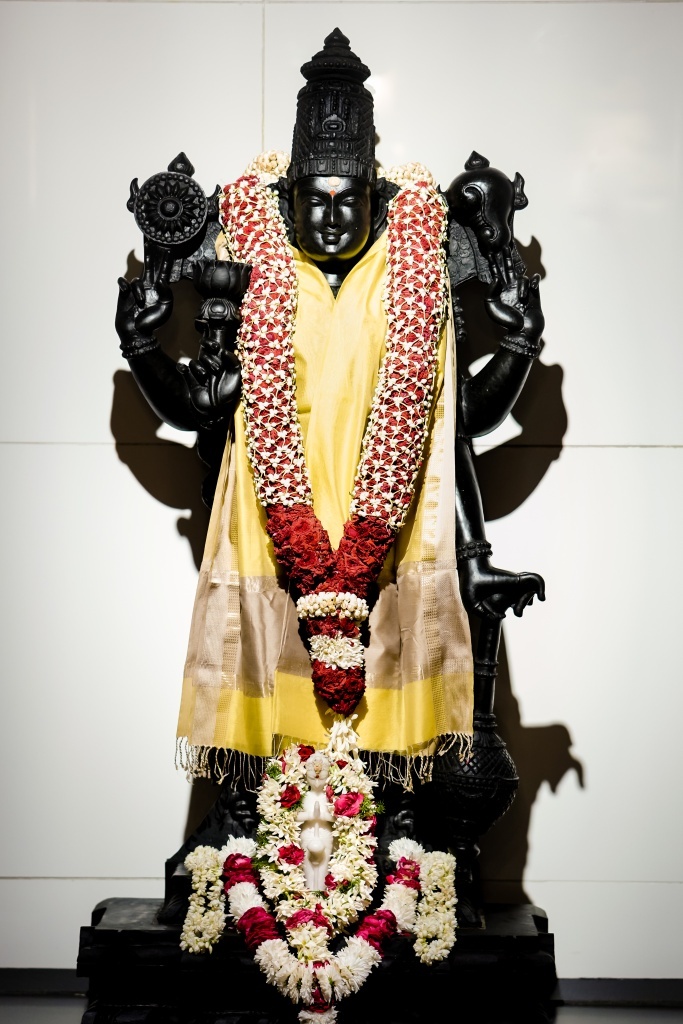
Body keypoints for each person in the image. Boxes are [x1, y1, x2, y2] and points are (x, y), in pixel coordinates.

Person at [115, 29, 544, 791]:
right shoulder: (247, 265)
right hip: (271, 534)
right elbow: (197, 410)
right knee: (264, 739)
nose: (333, 219)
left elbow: (463, 423)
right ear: (287, 202)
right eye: (314, 201)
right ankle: (250, 834)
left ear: (378, 202)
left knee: (394, 766)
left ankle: (392, 839)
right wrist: (142, 347)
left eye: (352, 202)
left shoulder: (415, 270)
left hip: (392, 534)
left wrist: (517, 344)